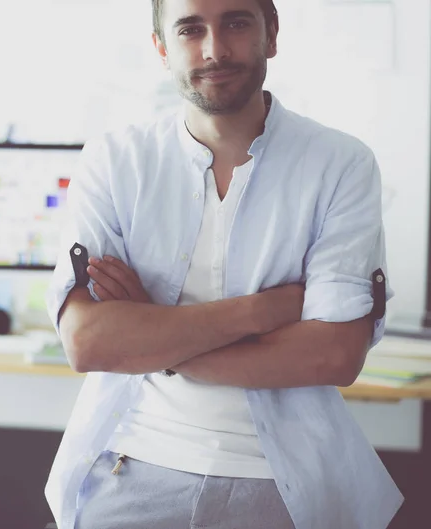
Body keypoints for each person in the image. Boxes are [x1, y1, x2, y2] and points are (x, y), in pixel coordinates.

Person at [45, 0, 403, 527]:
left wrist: (155, 336)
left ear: (271, 34)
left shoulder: (340, 164)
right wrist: (261, 311)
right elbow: (88, 342)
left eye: (236, 22)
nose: (215, 49)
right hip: (128, 467)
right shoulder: (114, 161)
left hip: (282, 483)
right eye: (191, 29)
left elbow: (334, 356)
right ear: (163, 48)